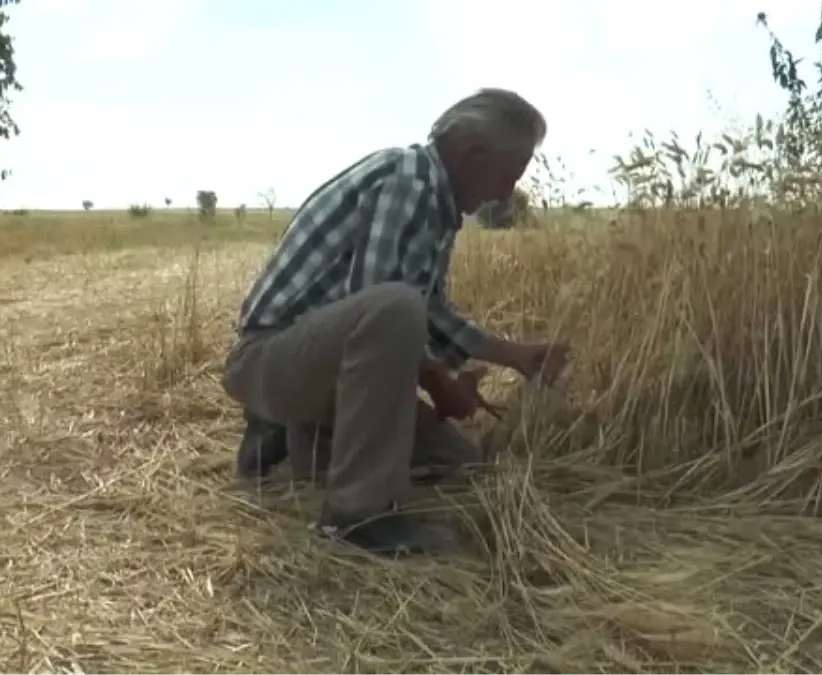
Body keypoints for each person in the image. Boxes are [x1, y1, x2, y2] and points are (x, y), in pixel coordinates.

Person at [221, 88, 570, 556]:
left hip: (321, 366)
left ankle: (298, 439)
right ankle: (357, 515)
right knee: (394, 307)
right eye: (507, 177)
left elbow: (430, 313)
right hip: (269, 359)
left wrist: (517, 356)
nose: (506, 195)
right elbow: (382, 303)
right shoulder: (409, 181)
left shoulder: (437, 202)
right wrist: (440, 382)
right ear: (472, 154)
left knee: (459, 462)